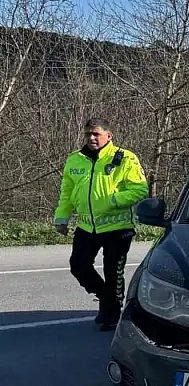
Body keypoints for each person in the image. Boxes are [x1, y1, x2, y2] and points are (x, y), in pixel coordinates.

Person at [53, 119, 149, 331]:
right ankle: (106, 299)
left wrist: (112, 201)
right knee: (79, 266)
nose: (91, 138)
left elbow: (140, 190)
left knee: (113, 271)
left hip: (117, 227)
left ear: (108, 136)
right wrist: (62, 217)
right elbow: (67, 193)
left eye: (96, 134)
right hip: (87, 226)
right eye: (88, 134)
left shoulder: (125, 158)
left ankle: (112, 314)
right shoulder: (75, 159)